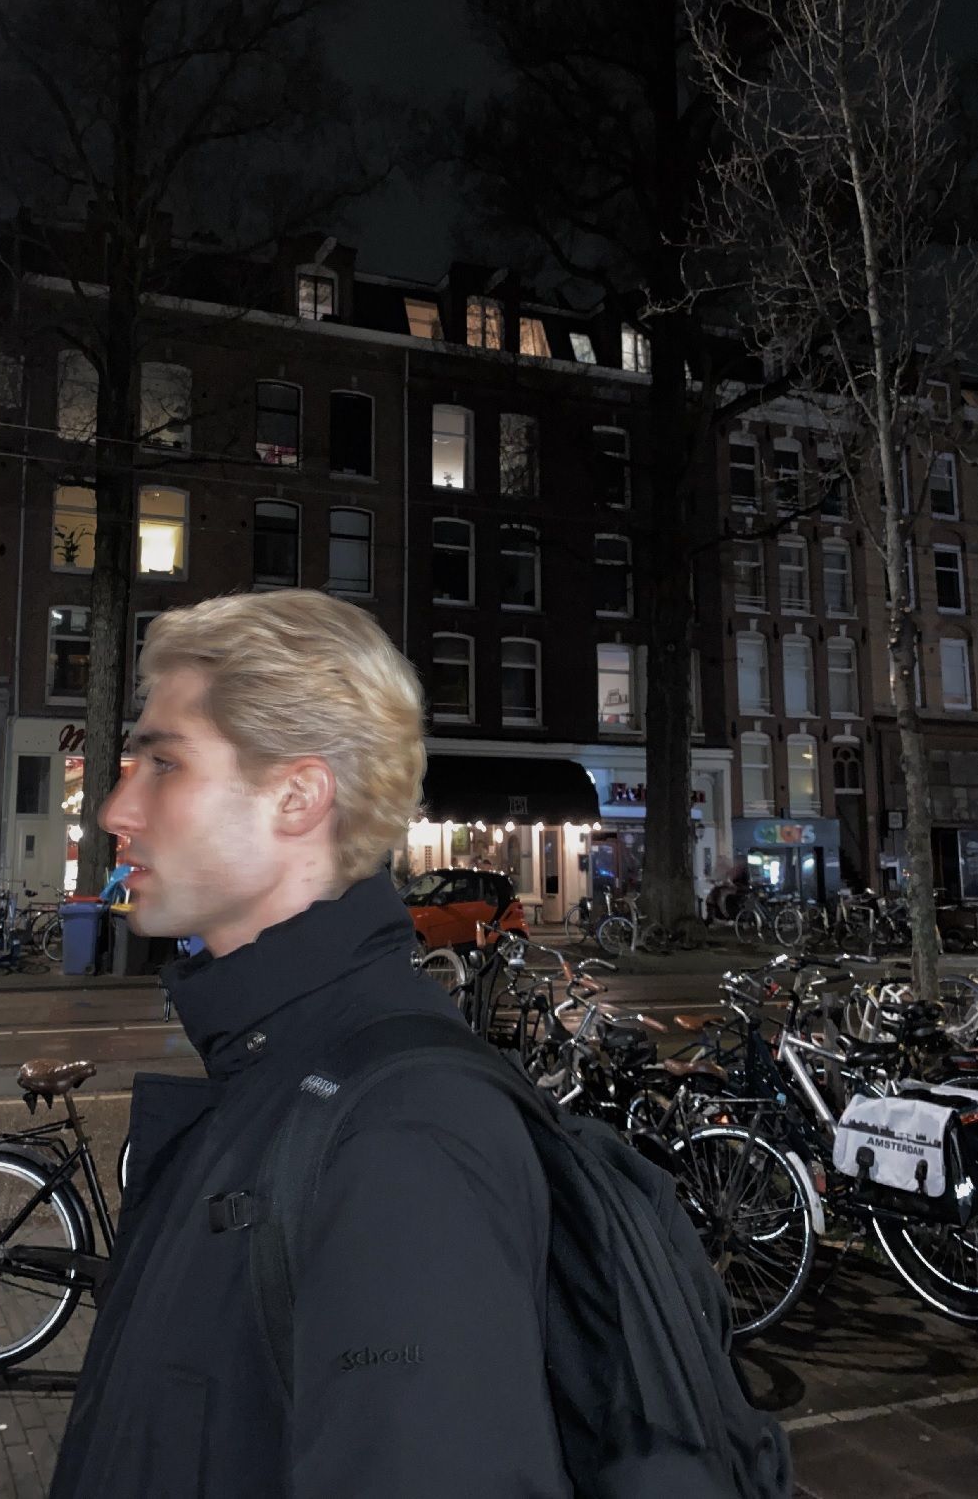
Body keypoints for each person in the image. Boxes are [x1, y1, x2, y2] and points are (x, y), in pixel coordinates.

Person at [50, 590, 751, 1498]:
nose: (116, 807)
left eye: (163, 763)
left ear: (297, 796)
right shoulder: (273, 1071)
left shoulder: (404, 1142)